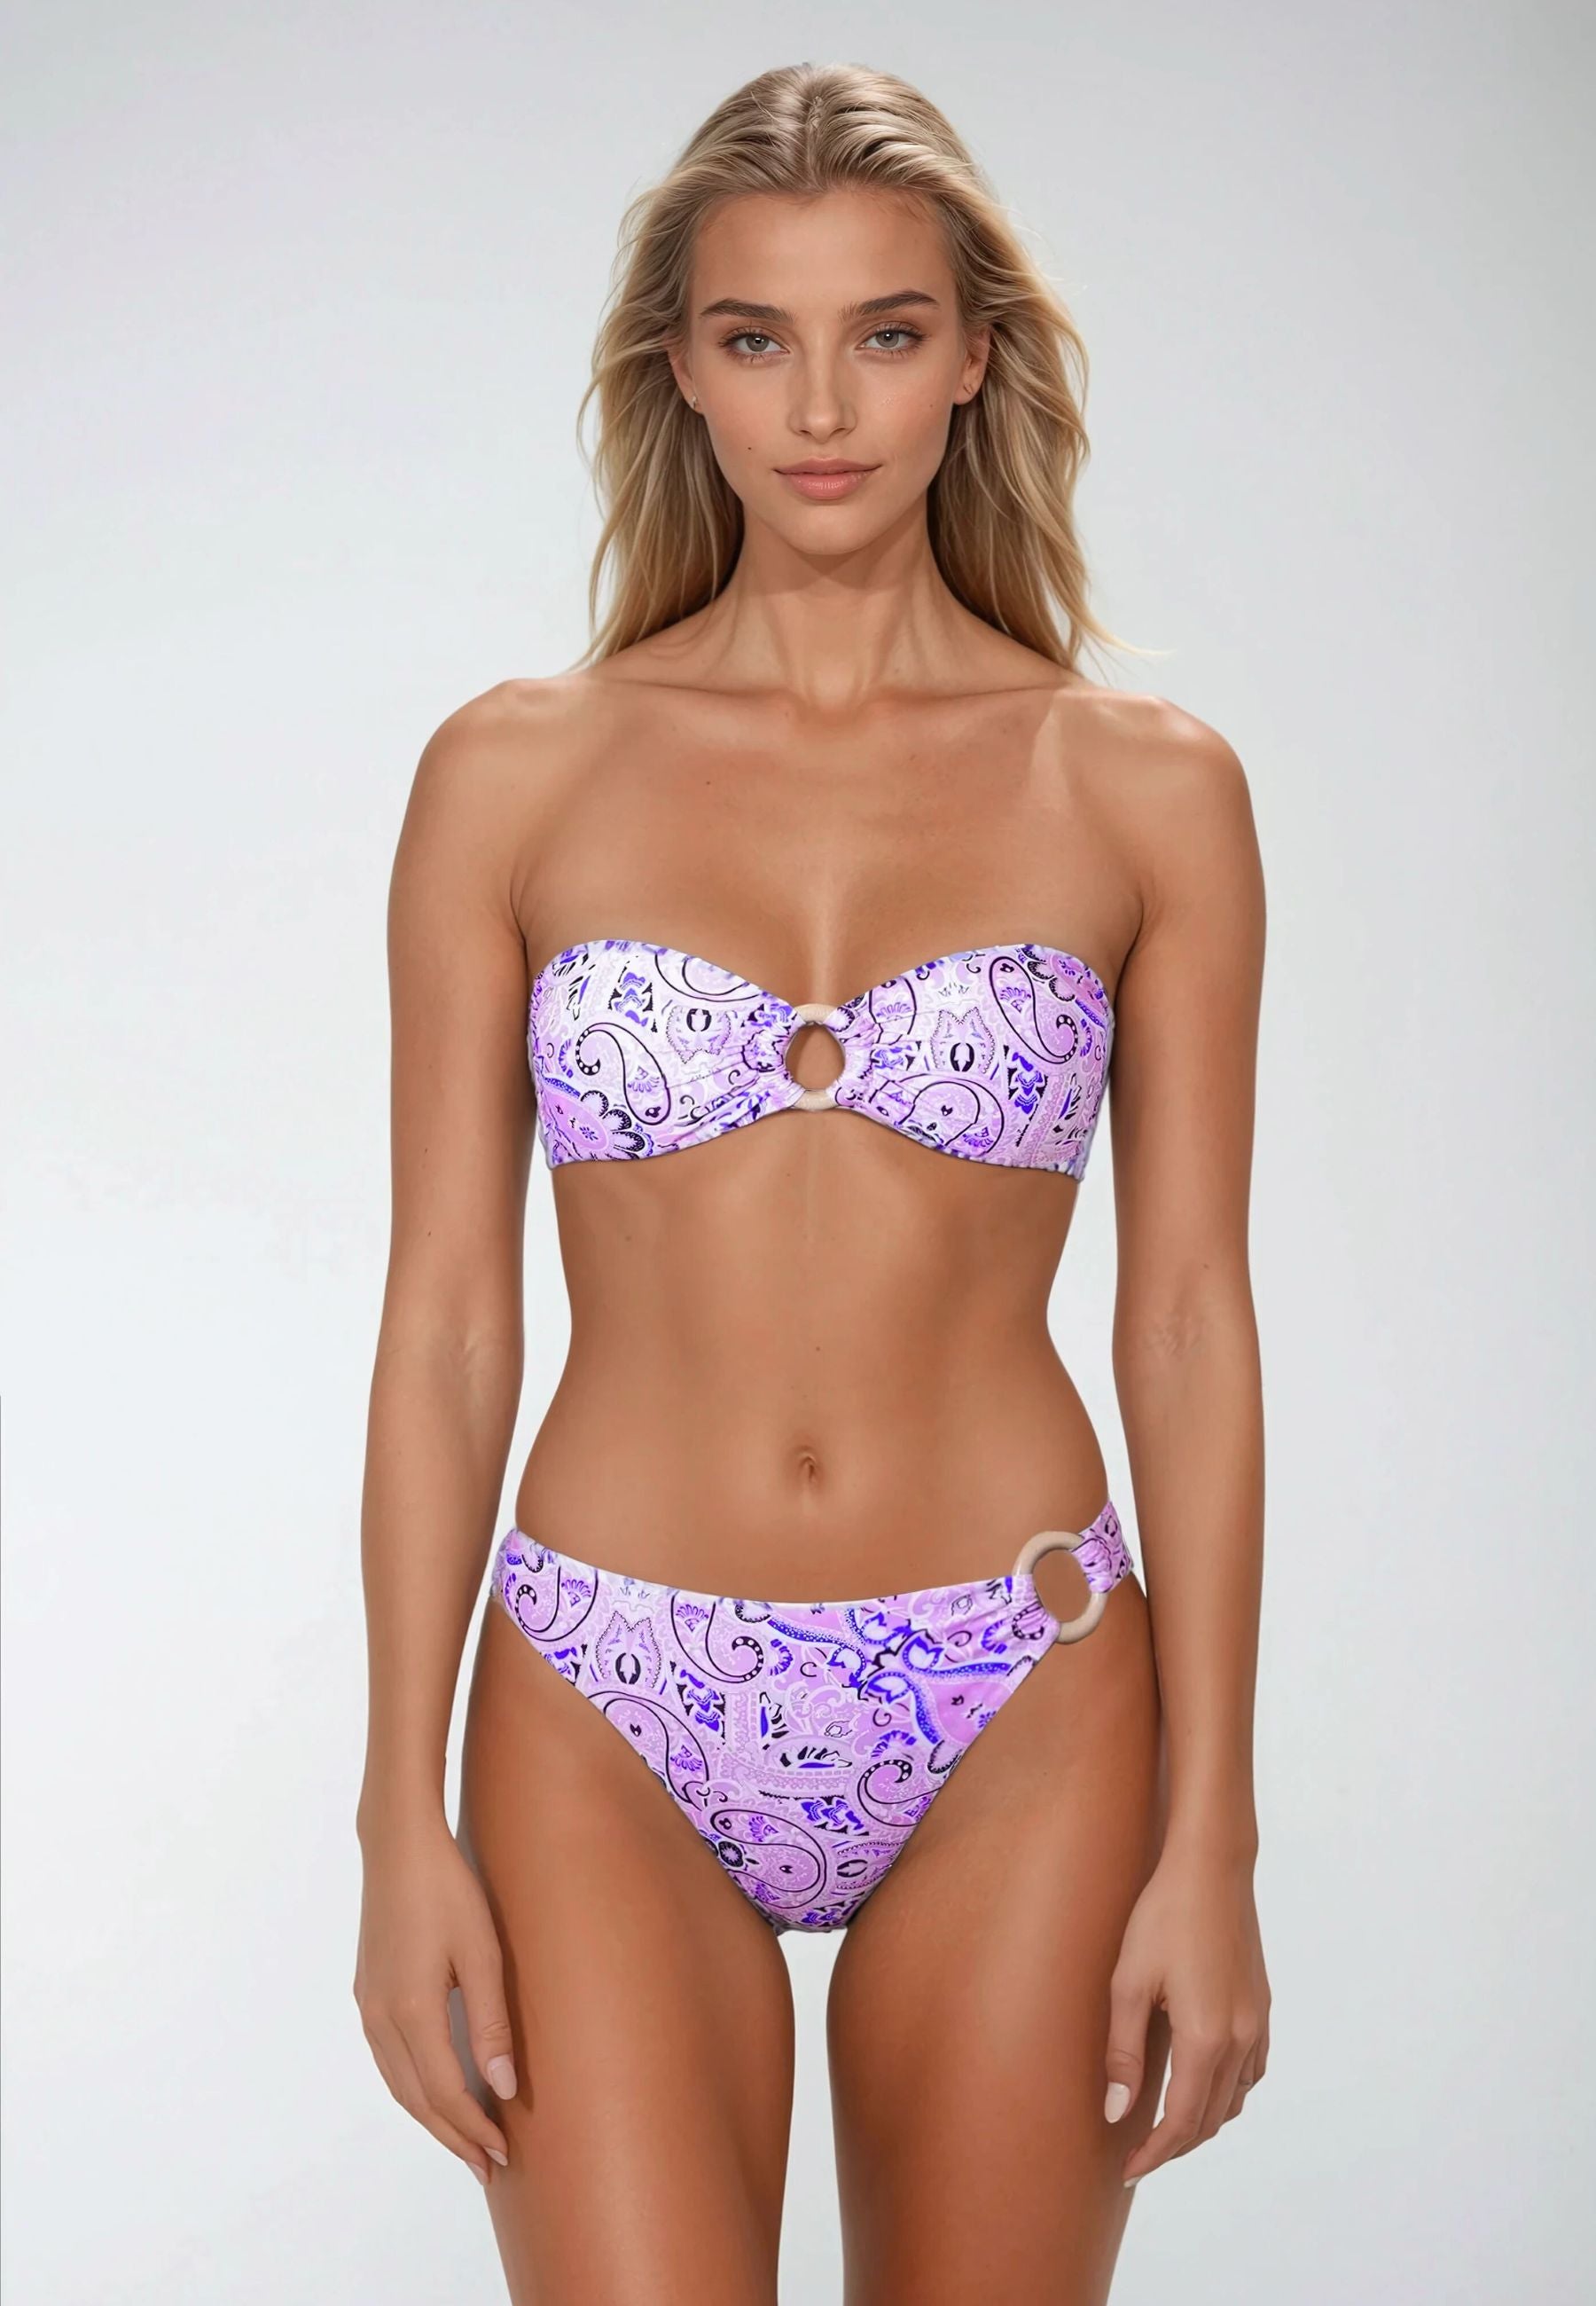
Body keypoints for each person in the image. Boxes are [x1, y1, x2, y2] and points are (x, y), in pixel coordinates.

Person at [353, 59, 1270, 2305]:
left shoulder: (1146, 790)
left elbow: (1187, 1319)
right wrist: (394, 1814)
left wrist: (1217, 1834)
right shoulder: (513, 775)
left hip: (1022, 1687)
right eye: (758, 336)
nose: (825, 405)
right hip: (605, 1689)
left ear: (974, 359)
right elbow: (448, 1319)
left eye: (886, 330)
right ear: (681, 367)